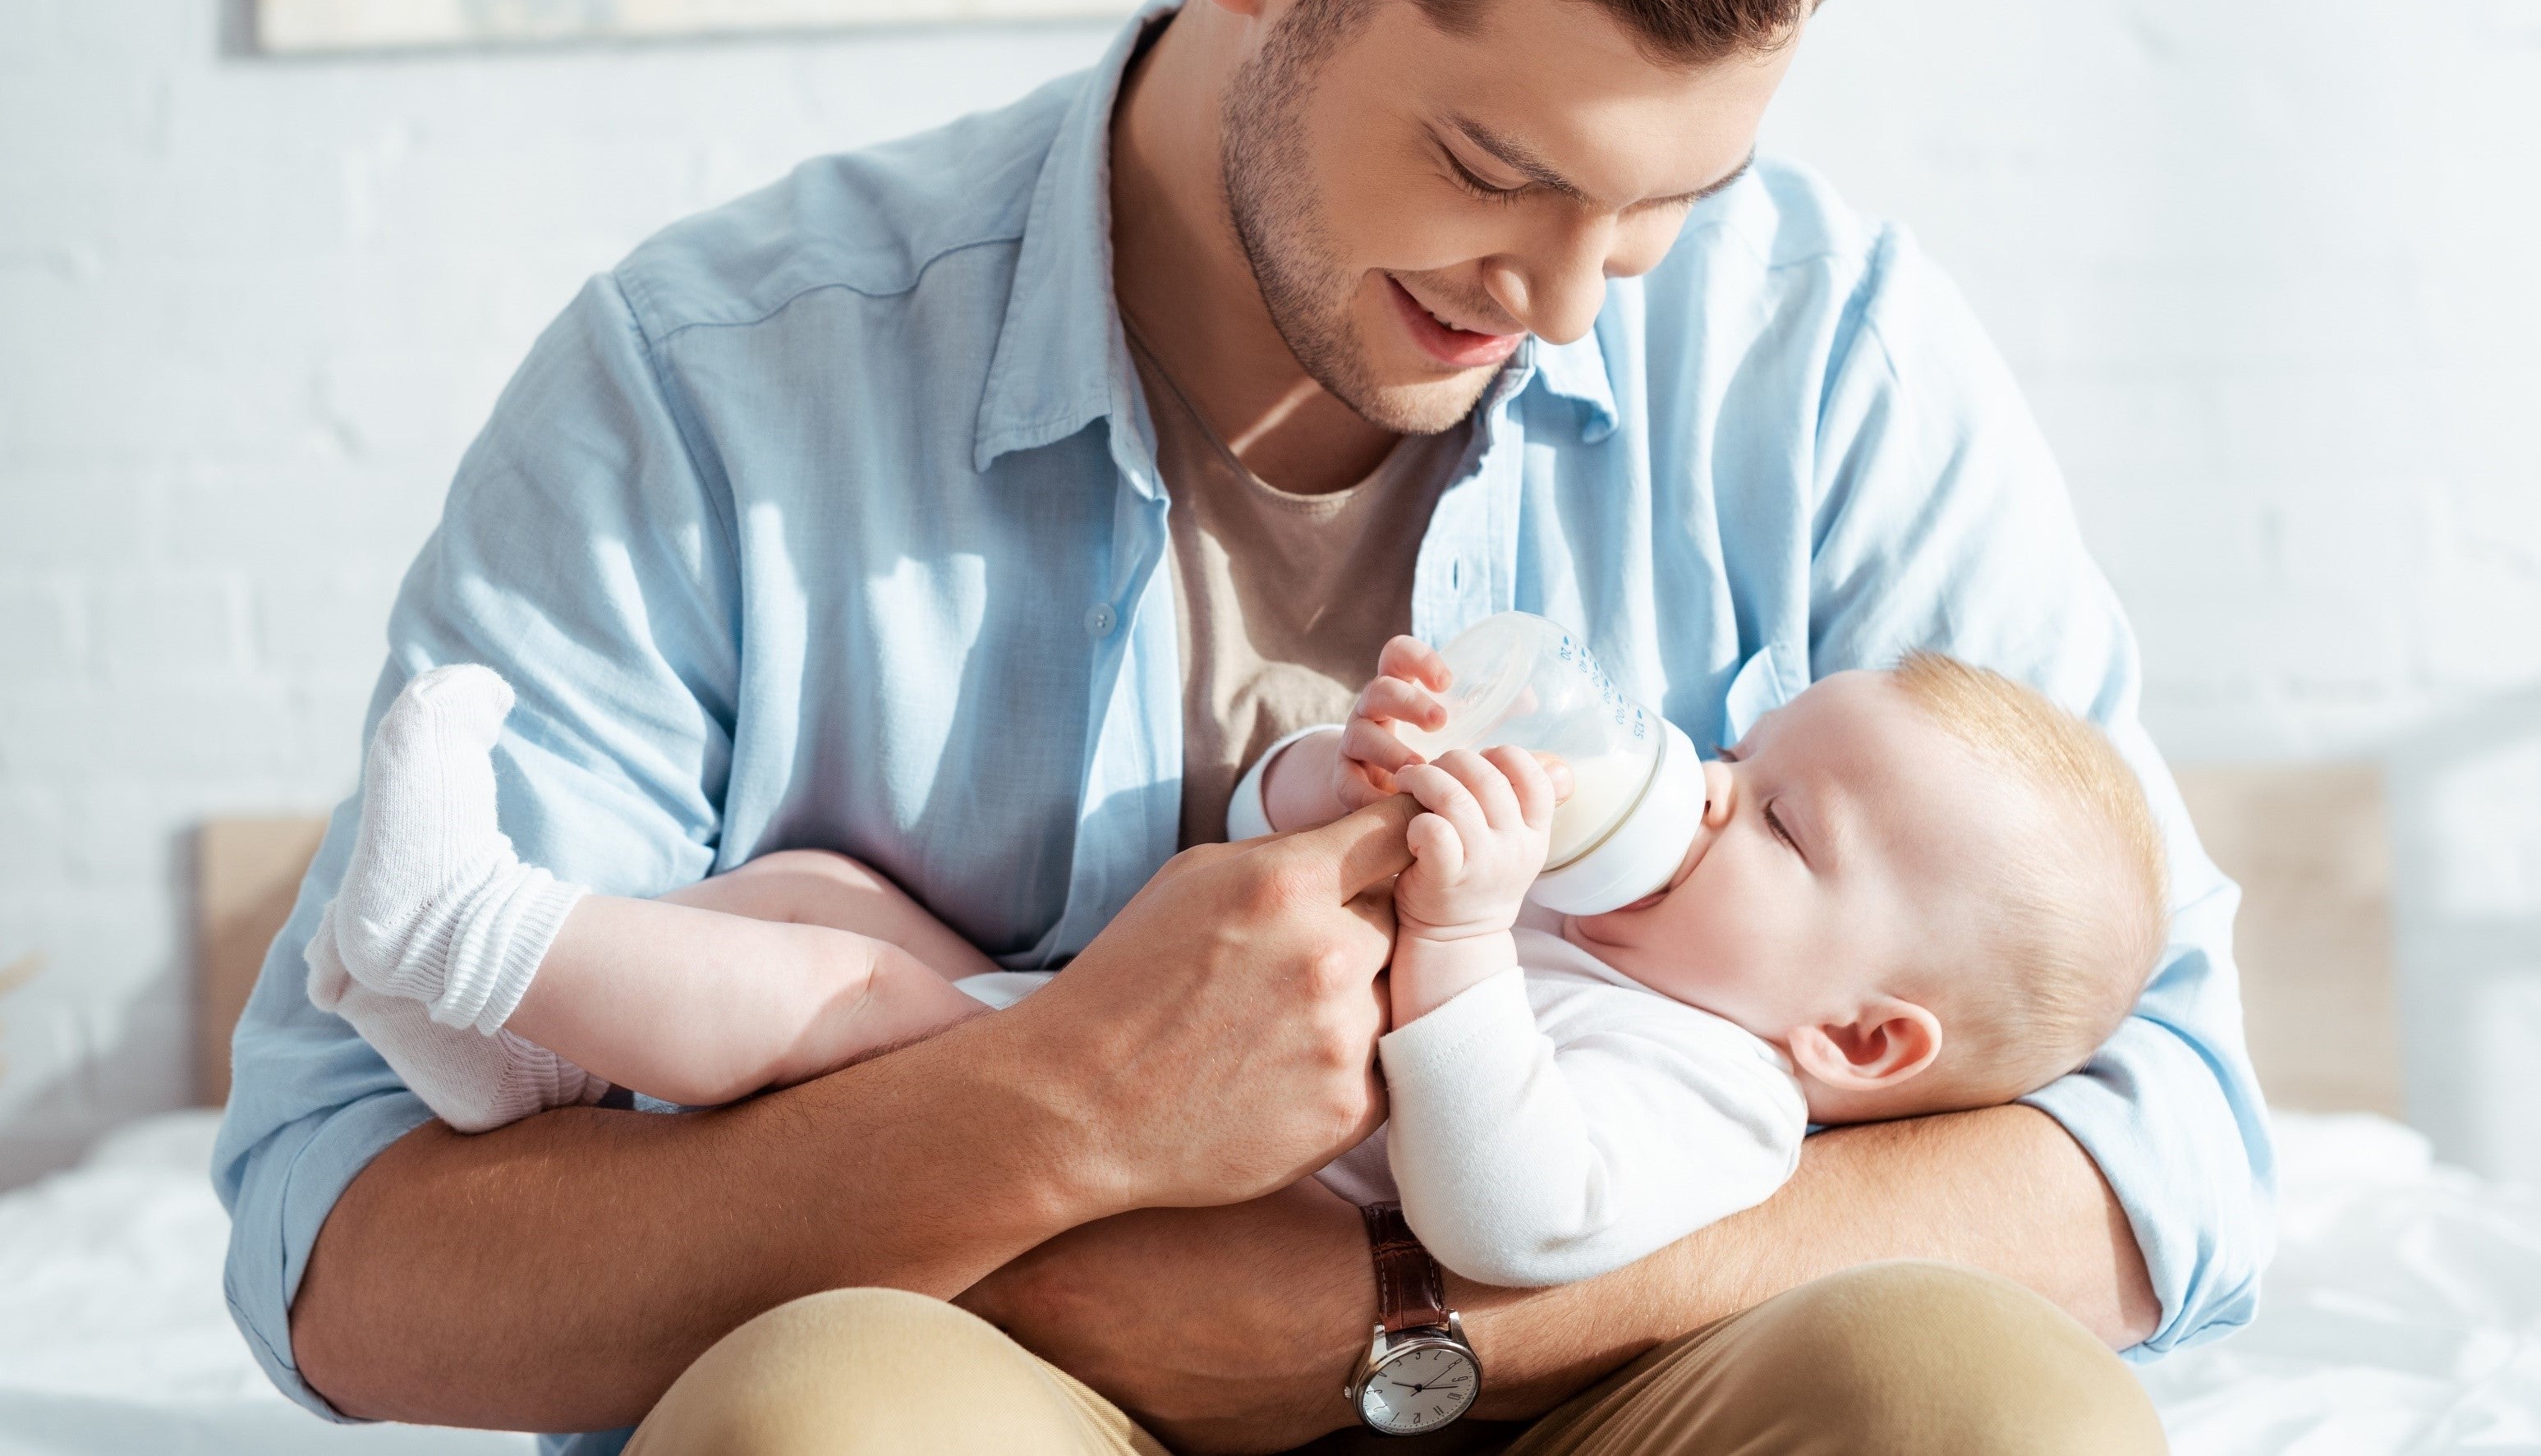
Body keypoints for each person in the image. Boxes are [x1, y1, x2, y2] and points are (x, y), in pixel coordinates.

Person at [217, 0, 2268, 1456]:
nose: (1566, 304)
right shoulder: (709, 391)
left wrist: (1396, 1324)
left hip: (1618, 1365)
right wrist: (1059, 1124)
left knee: (1990, 1412)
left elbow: (2155, 1129)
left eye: (1661, 205)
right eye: (1490, 164)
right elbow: (348, 1252)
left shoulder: (1824, 349)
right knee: (821, 1419)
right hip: (981, 1363)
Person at [308, 642, 2168, 1307]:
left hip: (1075, 1141)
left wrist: (1452, 934)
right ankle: (514, 1054)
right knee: (819, 895)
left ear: (1855, 1033)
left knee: (843, 1004)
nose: (1696, 781)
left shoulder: (1720, 1095)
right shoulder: (1605, 921)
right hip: (1067, 1026)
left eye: (1769, 818)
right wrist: (1342, 774)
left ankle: (460, 926)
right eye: (1742, 744)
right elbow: (1255, 861)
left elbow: (1513, 1210)